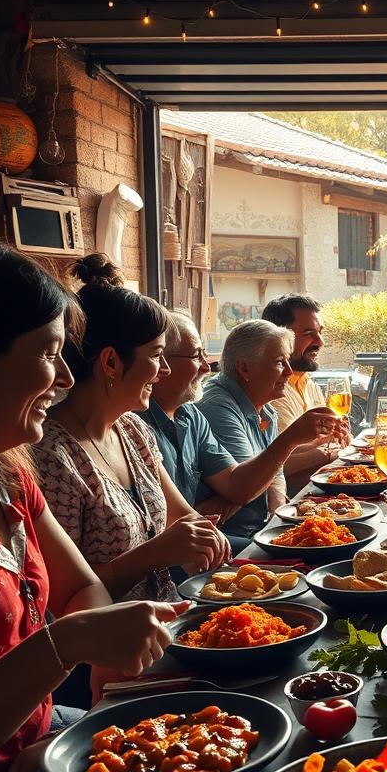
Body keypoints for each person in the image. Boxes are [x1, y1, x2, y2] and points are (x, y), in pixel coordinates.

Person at [0, 235, 184, 772]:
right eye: (49, 355)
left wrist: (87, 695)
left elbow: (81, 590)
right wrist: (70, 645)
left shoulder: (8, 476)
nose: (65, 378)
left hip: (40, 742)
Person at [35, 254, 229, 605]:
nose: (165, 370)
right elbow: (66, 601)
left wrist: (203, 535)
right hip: (111, 652)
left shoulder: (132, 429)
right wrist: (157, 552)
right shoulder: (51, 458)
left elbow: (179, 513)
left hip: (168, 619)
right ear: (111, 362)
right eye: (156, 355)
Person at [144, 311, 337, 553]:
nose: (206, 366)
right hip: (209, 543)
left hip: (215, 539)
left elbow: (243, 483)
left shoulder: (190, 415)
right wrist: (293, 440)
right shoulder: (208, 406)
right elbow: (245, 486)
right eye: (197, 356)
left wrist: (270, 507)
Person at [197, 319, 344, 543]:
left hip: (256, 527)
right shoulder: (218, 406)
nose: (288, 370)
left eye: (288, 360)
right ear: (244, 368)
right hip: (226, 535)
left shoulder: (263, 405)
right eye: (279, 362)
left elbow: (273, 471)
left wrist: (278, 515)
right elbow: (246, 486)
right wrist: (292, 437)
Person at [261, 294, 348, 494]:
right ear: (280, 338)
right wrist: (331, 451)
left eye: (320, 333)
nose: (320, 342)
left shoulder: (309, 384)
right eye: (309, 334)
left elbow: (334, 440)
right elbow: (281, 466)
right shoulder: (271, 391)